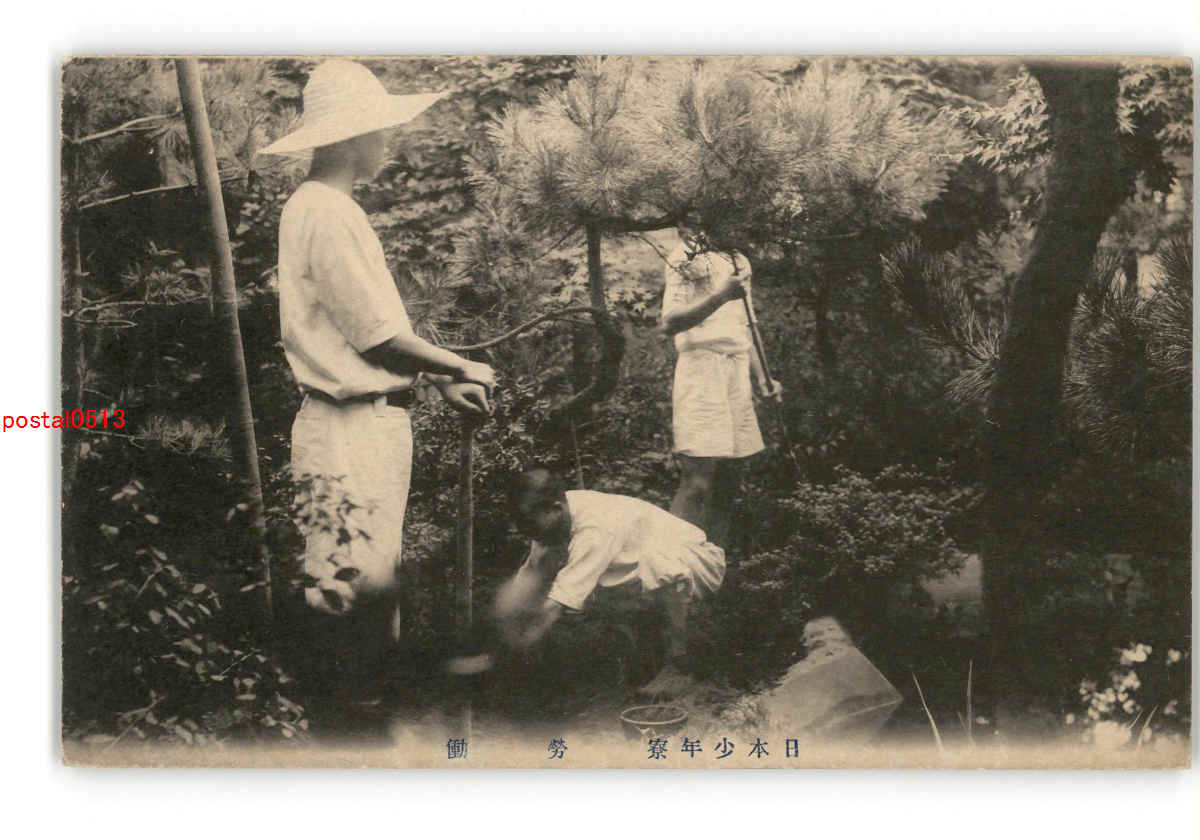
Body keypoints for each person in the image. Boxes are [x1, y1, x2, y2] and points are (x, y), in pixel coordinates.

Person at [258, 60, 497, 685]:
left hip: (366, 421)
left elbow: (369, 329)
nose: (386, 142)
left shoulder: (325, 208)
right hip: (349, 425)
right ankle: (349, 720)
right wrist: (462, 364)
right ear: (351, 136)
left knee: (368, 582)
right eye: (379, 129)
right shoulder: (326, 212)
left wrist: (439, 378)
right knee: (347, 588)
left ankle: (368, 709)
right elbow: (379, 339)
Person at [492, 466, 726, 698]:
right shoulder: (557, 510)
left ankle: (680, 663)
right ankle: (647, 657)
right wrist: (502, 623)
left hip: (696, 562)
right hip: (637, 566)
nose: (521, 528)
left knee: (660, 567)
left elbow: (557, 604)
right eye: (518, 520)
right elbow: (531, 575)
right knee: (602, 592)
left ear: (555, 508)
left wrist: (518, 645)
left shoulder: (594, 528)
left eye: (526, 520)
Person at [659, 225, 781, 550]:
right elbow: (669, 323)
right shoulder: (684, 257)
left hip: (736, 370)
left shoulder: (738, 259)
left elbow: (747, 325)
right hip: (701, 369)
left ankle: (712, 565)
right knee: (698, 482)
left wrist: (763, 377)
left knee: (729, 481)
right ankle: (672, 566)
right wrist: (720, 296)